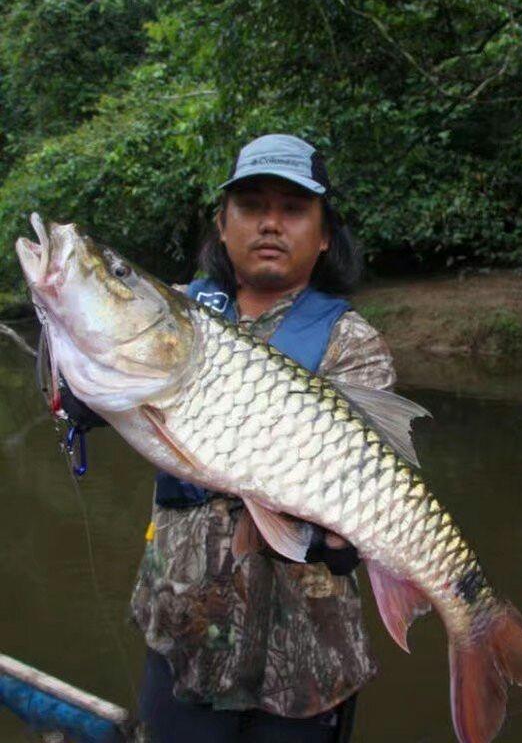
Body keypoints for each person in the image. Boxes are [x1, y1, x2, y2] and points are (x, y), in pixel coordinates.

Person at [67, 134, 398, 742]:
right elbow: (77, 390)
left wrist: (343, 542)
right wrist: (71, 383)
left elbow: (378, 476)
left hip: (307, 665)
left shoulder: (352, 342)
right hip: (182, 640)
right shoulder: (169, 314)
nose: (271, 223)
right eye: (250, 207)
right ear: (222, 225)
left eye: (294, 209)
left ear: (325, 235)